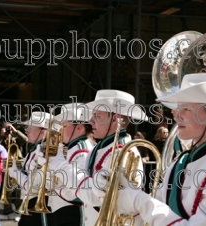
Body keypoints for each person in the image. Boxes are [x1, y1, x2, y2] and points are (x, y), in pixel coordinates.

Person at [94, 73, 206, 225]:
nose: (175, 114)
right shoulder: (181, 161)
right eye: (177, 107)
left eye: (186, 108)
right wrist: (123, 197)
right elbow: (157, 213)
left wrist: (138, 200)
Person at [37, 90, 147, 226]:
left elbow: (93, 196)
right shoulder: (102, 148)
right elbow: (81, 181)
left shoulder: (124, 152)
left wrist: (59, 165)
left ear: (115, 119)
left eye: (97, 116)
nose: (91, 121)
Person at [44, 103, 95, 226]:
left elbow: (75, 192)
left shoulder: (81, 150)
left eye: (64, 125)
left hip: (72, 212)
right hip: (62, 210)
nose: (60, 130)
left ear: (79, 127)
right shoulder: (71, 148)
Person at [8, 111, 60, 226]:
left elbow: (33, 185)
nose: (26, 131)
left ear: (42, 132)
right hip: (31, 202)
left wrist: (15, 172)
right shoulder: (36, 148)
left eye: (30, 128)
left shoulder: (45, 151)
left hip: (40, 203)